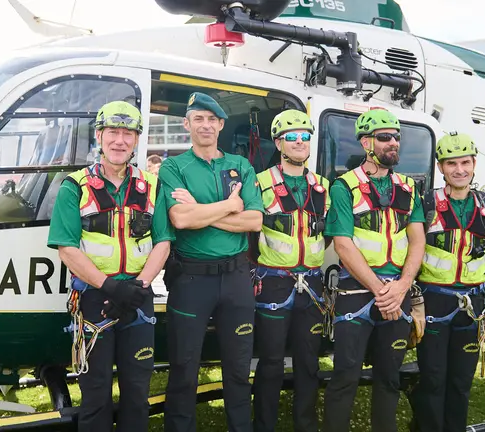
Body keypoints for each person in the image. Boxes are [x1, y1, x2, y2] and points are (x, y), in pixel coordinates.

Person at [47, 100, 173, 432]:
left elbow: (163, 242)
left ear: (137, 140)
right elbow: (66, 249)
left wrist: (138, 286)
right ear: (99, 136)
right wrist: (110, 286)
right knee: (96, 395)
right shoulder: (74, 186)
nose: (120, 141)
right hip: (94, 300)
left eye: (128, 134)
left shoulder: (153, 186)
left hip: (138, 299)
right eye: (113, 133)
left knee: (138, 394)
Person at [158, 92, 264, 432]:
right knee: (183, 367)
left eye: (211, 120)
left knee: (238, 367)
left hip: (236, 278)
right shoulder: (174, 167)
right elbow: (180, 219)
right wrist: (229, 206)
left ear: (221, 125)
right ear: (186, 124)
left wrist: (201, 211)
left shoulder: (241, 166)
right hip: (191, 280)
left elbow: (254, 221)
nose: (205, 125)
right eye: (198, 119)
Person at [323, 108, 427, 432]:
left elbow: (418, 241)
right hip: (358, 293)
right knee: (345, 376)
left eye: (396, 137)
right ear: (366, 142)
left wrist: (402, 286)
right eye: (384, 137)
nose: (393, 142)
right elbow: (342, 244)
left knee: (389, 378)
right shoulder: (344, 187)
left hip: (397, 292)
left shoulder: (409, 187)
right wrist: (382, 291)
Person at [408, 131, 485, 432]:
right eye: (451, 163)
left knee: (461, 383)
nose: (459, 170)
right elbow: (411, 250)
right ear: (440, 167)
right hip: (433, 302)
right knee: (433, 379)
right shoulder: (425, 204)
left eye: (465, 162)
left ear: (474, 164)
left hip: (473, 307)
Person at [252, 109, 331, 432]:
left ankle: (306, 425)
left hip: (311, 284)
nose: (300, 142)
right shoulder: (260, 183)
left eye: (305, 136)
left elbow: (327, 233)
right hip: (273, 283)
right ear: (278, 143)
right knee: (271, 362)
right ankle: (264, 426)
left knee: (309, 362)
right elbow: (248, 233)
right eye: (292, 137)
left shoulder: (323, 186)